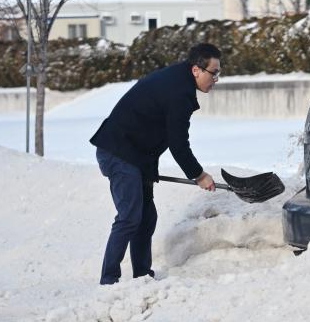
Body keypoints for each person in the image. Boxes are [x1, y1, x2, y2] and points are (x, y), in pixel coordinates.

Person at [90, 43, 221, 285]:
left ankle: (141, 275)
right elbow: (178, 144)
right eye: (214, 73)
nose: (216, 79)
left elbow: (155, 129)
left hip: (135, 155)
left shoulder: (178, 80)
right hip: (118, 152)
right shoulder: (179, 92)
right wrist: (199, 175)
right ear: (196, 70)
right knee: (129, 216)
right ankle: (108, 281)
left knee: (146, 216)